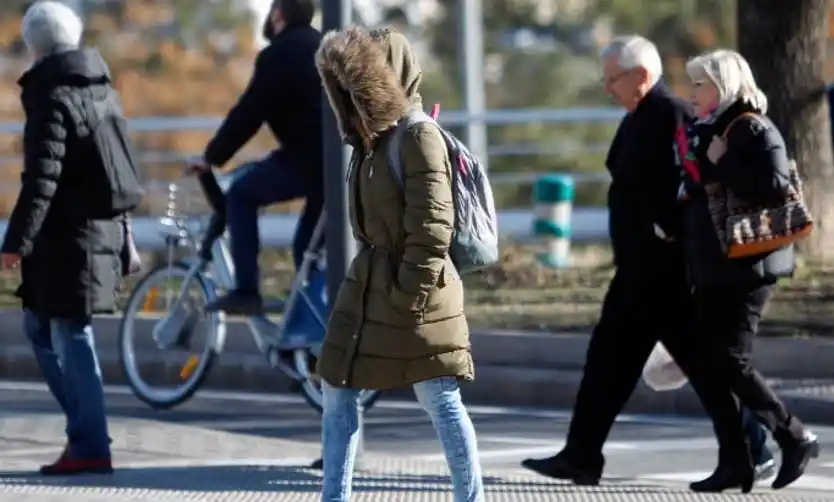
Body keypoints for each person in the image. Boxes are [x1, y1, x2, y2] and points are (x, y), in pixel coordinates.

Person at [520, 35, 773, 492]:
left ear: (640, 75)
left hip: (665, 272)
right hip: (638, 271)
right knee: (607, 363)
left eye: (612, 79)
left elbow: (692, 180)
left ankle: (755, 448)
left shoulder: (670, 113)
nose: (607, 89)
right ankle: (581, 455)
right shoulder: (638, 116)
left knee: (704, 367)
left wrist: (666, 227)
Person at [314, 26, 484, 502]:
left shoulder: (418, 136)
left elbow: (432, 227)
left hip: (416, 291)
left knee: (439, 399)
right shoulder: (367, 141)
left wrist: (410, 294)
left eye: (360, 81)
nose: (351, 94)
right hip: (368, 285)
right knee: (336, 387)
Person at [1, 1, 141, 475]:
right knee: (40, 327)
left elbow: (42, 179)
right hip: (95, 234)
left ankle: (90, 442)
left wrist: (14, 242)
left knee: (69, 333)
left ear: (33, 46)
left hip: (70, 241)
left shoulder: (53, 99)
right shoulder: (105, 92)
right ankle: (87, 428)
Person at [679, 48, 819, 491]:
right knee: (712, 363)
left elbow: (775, 185)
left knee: (729, 361)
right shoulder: (711, 130)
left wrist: (722, 159)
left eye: (700, 83)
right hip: (716, 265)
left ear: (723, 85)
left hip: (748, 265)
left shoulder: (752, 126)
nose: (692, 92)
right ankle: (739, 460)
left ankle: (793, 435)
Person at [188, 0, 323, 314]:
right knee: (307, 250)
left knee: (241, 194)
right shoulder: (326, 46)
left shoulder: (278, 54)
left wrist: (211, 157)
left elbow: (249, 112)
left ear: (277, 15)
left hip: (308, 159)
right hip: (341, 162)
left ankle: (246, 290)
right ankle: (315, 329)